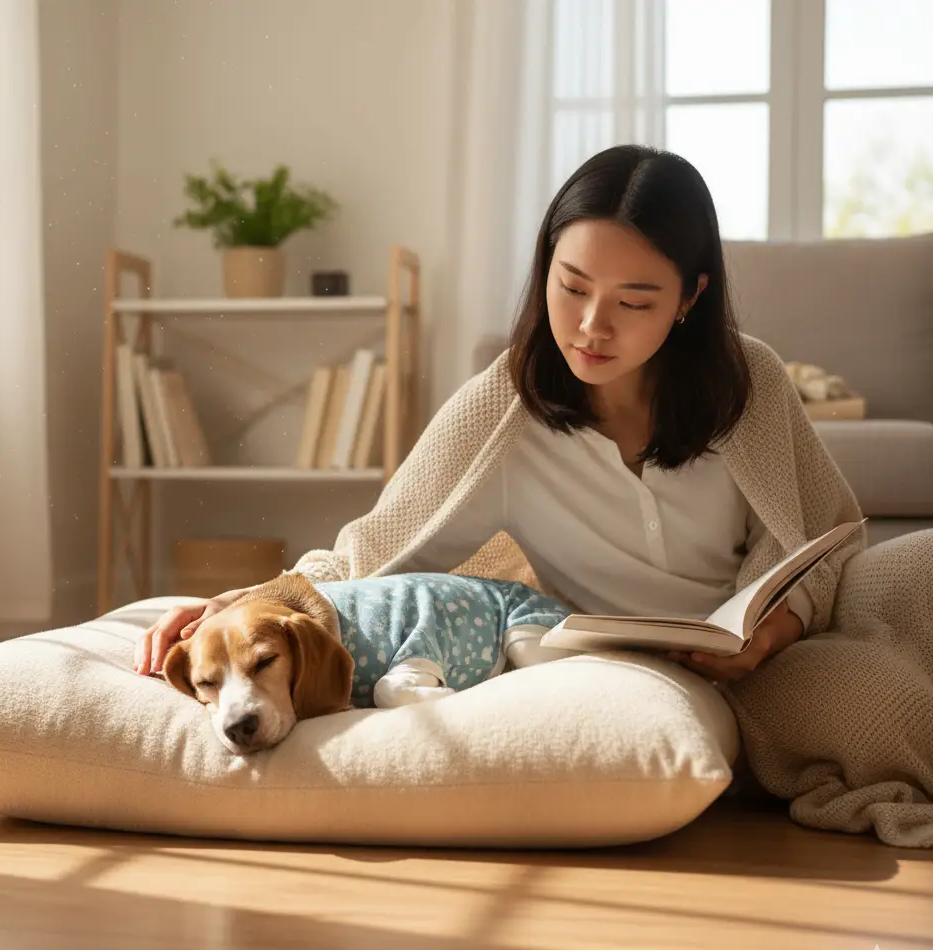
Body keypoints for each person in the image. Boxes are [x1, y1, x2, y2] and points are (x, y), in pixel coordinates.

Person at [136, 144, 864, 689]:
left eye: (634, 302)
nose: (590, 326)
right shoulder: (505, 405)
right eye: (571, 286)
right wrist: (251, 602)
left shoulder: (750, 379)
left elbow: (826, 540)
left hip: (762, 665)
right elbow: (373, 551)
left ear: (690, 298)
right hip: (617, 677)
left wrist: (771, 634)